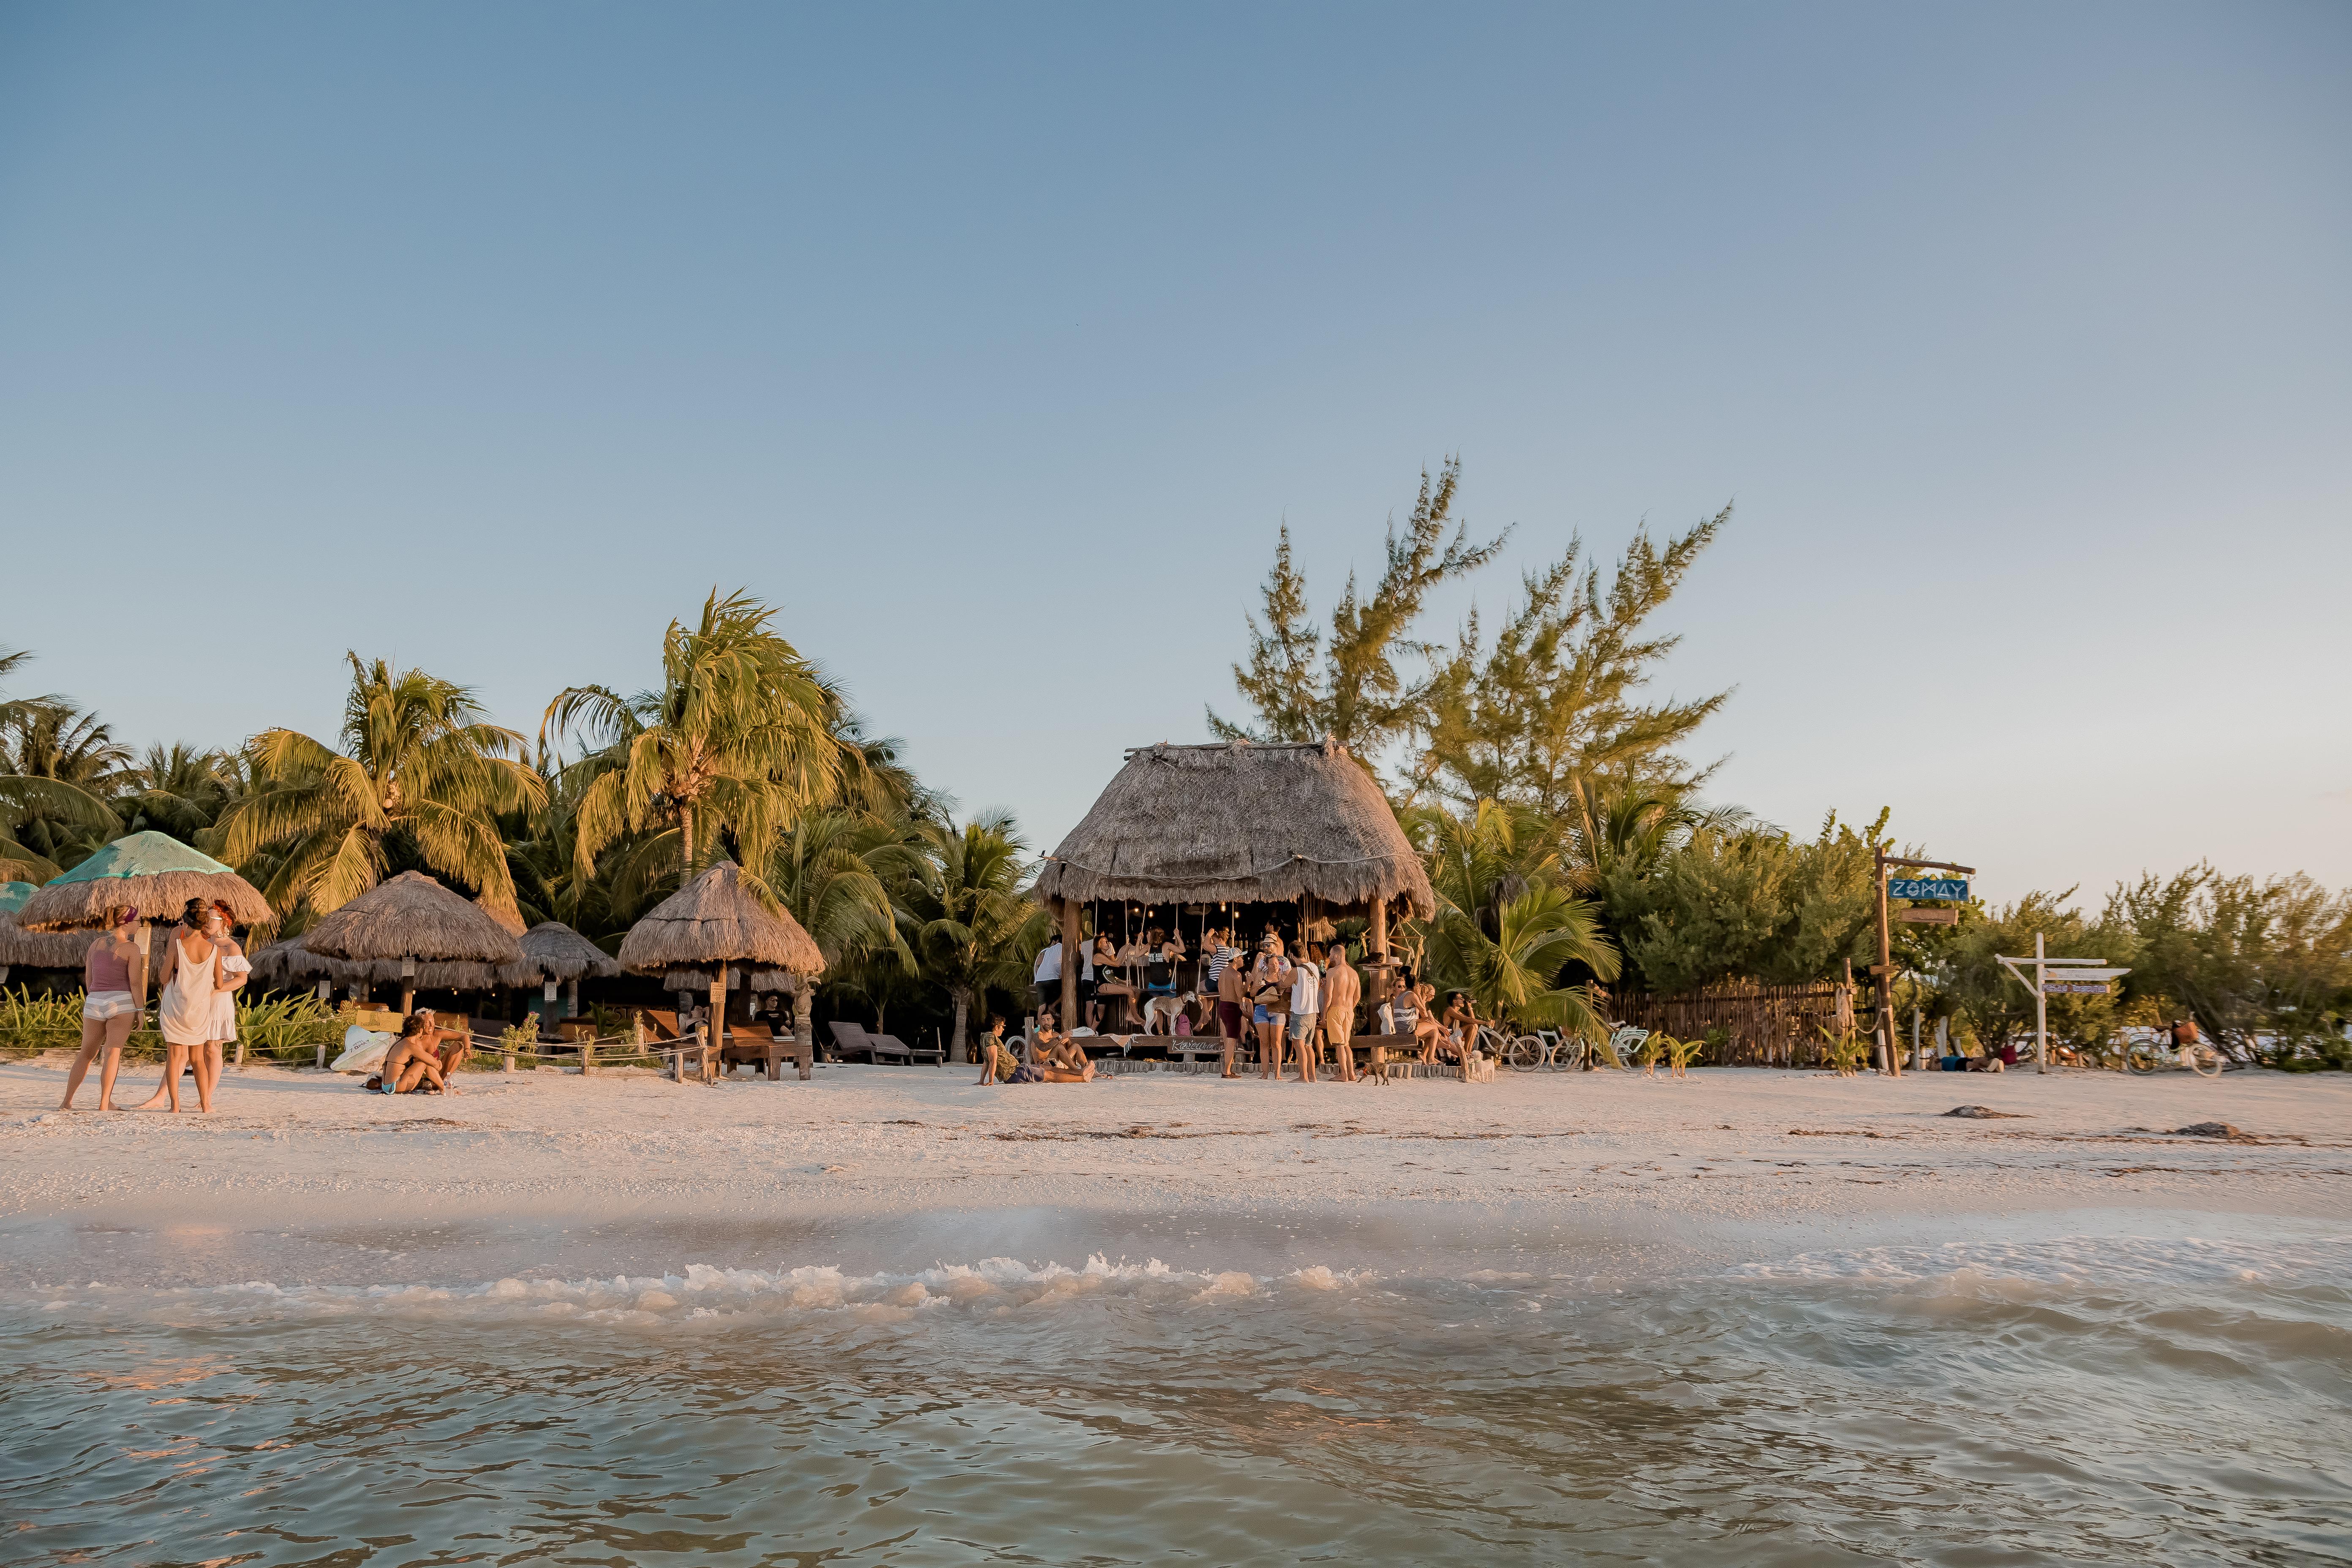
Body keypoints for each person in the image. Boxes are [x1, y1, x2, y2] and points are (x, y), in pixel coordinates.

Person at [137, 899, 222, 1112]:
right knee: (198, 1059)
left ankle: (175, 1106)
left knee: (174, 1058)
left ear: (185, 924)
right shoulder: (214, 950)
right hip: (199, 1009)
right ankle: (206, 1105)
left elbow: (164, 977)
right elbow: (219, 983)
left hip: (176, 1007)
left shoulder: (178, 947)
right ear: (204, 926)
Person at [59, 907, 145, 1111]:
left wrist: (96, 997)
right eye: (137, 921)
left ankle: (67, 1101)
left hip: (95, 1002)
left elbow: (89, 977)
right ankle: (105, 1103)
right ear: (125, 922)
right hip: (121, 1003)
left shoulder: (95, 945)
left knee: (86, 1053)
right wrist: (140, 1010)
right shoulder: (131, 948)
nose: (140, 925)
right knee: (113, 1052)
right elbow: (135, 983)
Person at [194, 899, 249, 1113]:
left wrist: (217, 989)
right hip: (198, 1000)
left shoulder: (230, 947)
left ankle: (207, 1096)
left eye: (212, 919)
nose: (207, 923)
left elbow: (241, 979)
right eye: (205, 919)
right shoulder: (200, 942)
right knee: (195, 1048)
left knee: (213, 1047)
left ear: (223, 923)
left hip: (219, 1000)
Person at [375, 1010, 466, 1094]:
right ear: (421, 1030)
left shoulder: (402, 1042)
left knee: (424, 1062)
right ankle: (443, 1088)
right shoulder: (412, 1047)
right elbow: (433, 1063)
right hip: (395, 1086)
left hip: (386, 1085)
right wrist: (438, 1063)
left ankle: (442, 1085)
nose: (431, 1025)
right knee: (424, 1062)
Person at [1250, 935, 1292, 1080]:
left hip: (1278, 1010)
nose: (1275, 966)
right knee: (1264, 1043)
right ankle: (1265, 1073)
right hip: (1262, 1009)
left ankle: (1278, 1073)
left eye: (1276, 964)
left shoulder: (1282, 973)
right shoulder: (1261, 973)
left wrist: (1281, 982)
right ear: (1267, 964)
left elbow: (1288, 989)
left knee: (1276, 1042)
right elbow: (1253, 993)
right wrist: (1257, 985)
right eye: (1273, 964)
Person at [1320, 942, 1360, 1084]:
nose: (1330, 957)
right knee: (1346, 1043)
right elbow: (1358, 997)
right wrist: (1350, 1008)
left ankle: (1343, 1074)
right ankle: (1352, 1073)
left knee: (1339, 1044)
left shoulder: (1332, 972)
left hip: (1336, 1010)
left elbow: (1329, 996)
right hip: (1349, 1010)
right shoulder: (1354, 973)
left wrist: (1324, 1015)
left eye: (1331, 955)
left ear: (1336, 955)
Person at [1287, 946, 1322, 1083]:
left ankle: (1303, 1076)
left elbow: (1284, 985)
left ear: (1291, 954)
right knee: (1308, 1045)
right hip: (1313, 1011)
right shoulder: (1314, 967)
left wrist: (1282, 975)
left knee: (1299, 1044)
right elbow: (1318, 986)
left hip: (1300, 1012)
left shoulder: (1296, 971)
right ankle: (1313, 1076)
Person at [1214, 945, 1249, 1078]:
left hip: (1223, 1005)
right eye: (1241, 957)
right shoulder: (1236, 974)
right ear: (1236, 959)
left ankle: (1227, 1070)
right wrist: (1248, 983)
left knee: (1229, 1039)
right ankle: (1227, 1071)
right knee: (1231, 1041)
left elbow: (1220, 988)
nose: (1243, 960)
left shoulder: (1223, 972)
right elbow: (1240, 995)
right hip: (1232, 1007)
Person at [973, 1017, 1017, 1085]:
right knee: (1038, 1071)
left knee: (1038, 1069)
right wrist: (991, 1081)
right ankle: (1038, 1029)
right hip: (1016, 1072)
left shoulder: (985, 1036)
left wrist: (981, 1081)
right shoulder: (991, 1038)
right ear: (997, 1027)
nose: (1003, 1029)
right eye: (1003, 1027)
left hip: (1015, 1073)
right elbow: (992, 1061)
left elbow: (987, 1061)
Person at [1032, 932, 1064, 1022]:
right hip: (1052, 978)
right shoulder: (1061, 947)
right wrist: (1061, 975)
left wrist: (1037, 979)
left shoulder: (1045, 951)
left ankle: (1039, 1028)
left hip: (1039, 980)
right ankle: (1053, 1007)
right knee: (1066, 993)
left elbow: (1038, 965)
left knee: (1042, 1005)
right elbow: (1060, 964)